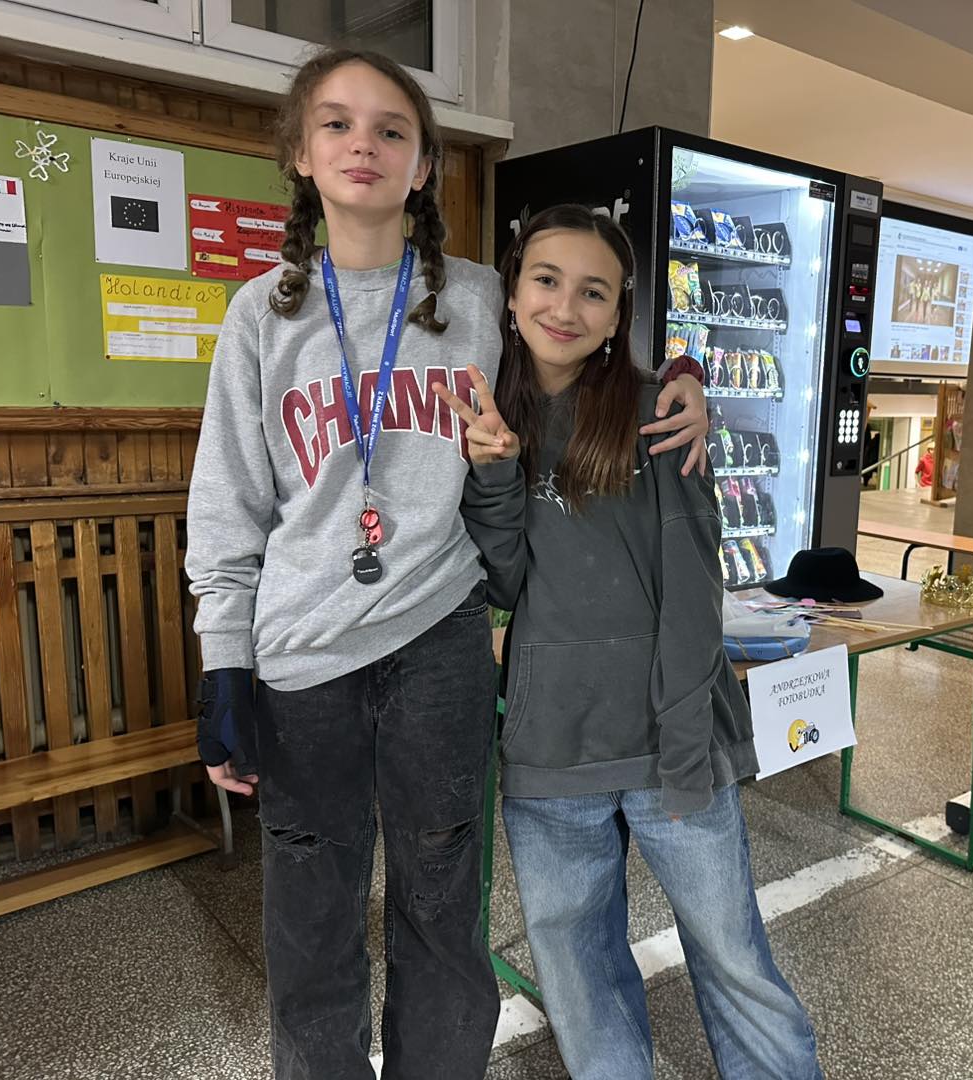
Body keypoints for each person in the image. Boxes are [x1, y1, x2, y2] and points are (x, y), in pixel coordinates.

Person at [185, 51, 709, 1080]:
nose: (364, 145)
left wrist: (683, 374)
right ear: (301, 154)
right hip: (302, 660)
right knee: (311, 930)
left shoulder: (475, 298)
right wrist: (224, 663)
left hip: (440, 645)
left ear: (424, 164)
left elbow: (579, 343)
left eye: (392, 130)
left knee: (441, 917)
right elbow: (228, 503)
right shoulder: (260, 315)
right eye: (337, 125)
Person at [435, 204, 823, 1080]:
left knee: (732, 955)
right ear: (510, 293)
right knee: (579, 978)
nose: (564, 306)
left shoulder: (660, 415)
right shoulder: (493, 413)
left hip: (668, 746)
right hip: (551, 750)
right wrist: (492, 475)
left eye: (593, 291)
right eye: (546, 280)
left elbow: (694, 592)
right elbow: (506, 585)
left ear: (618, 314)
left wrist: (685, 740)